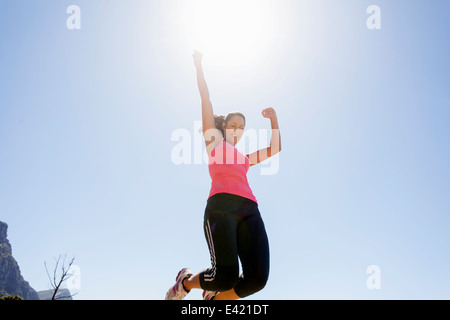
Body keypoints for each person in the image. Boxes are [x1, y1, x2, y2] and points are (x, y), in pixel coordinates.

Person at [165, 51, 282, 300]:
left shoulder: (244, 158)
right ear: (223, 126)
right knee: (225, 275)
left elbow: (274, 149)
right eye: (233, 125)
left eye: (242, 127)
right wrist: (198, 66)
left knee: (257, 279)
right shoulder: (214, 141)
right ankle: (184, 284)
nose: (237, 130)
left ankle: (214, 300)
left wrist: (274, 120)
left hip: (249, 209)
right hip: (221, 207)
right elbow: (205, 97)